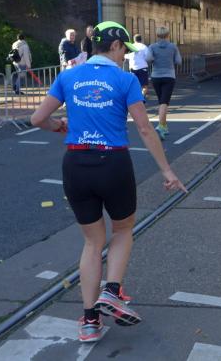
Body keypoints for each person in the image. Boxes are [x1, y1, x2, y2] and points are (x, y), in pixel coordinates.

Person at [30, 21, 186, 343]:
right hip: (112, 163)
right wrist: (167, 171)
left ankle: (90, 321)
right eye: (123, 51)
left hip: (76, 164)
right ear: (114, 46)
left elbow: (37, 119)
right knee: (124, 229)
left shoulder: (69, 76)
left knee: (92, 242)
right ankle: (112, 291)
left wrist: (58, 126)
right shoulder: (125, 80)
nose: (124, 56)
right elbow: (145, 129)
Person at [148, 26, 182, 140]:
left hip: (156, 76)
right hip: (169, 76)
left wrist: (154, 59)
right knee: (164, 102)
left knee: (161, 102)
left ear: (157, 35)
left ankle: (164, 126)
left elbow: (148, 58)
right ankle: (161, 126)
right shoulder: (173, 46)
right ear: (168, 35)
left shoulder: (152, 46)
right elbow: (179, 61)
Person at [125, 34, 150, 99]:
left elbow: (126, 56)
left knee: (134, 85)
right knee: (144, 86)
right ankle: (141, 97)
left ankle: (136, 98)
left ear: (134, 40)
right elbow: (148, 57)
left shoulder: (131, 47)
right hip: (143, 67)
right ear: (141, 39)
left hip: (133, 68)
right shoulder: (144, 47)